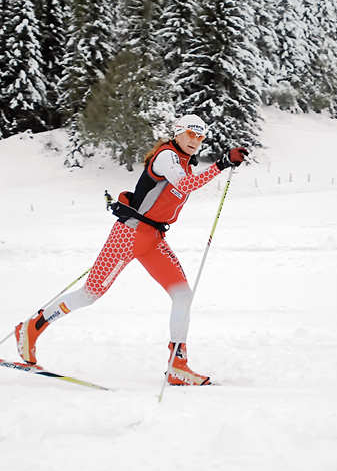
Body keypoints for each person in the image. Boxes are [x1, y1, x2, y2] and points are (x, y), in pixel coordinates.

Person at [15, 114, 248, 386]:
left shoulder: (184, 161)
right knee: (90, 294)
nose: (196, 140)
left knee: (183, 295)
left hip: (153, 239)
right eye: (191, 134)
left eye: (200, 136)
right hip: (129, 235)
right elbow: (185, 185)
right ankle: (32, 328)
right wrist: (222, 163)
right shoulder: (167, 156)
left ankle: (178, 366)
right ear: (178, 132)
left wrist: (221, 164)